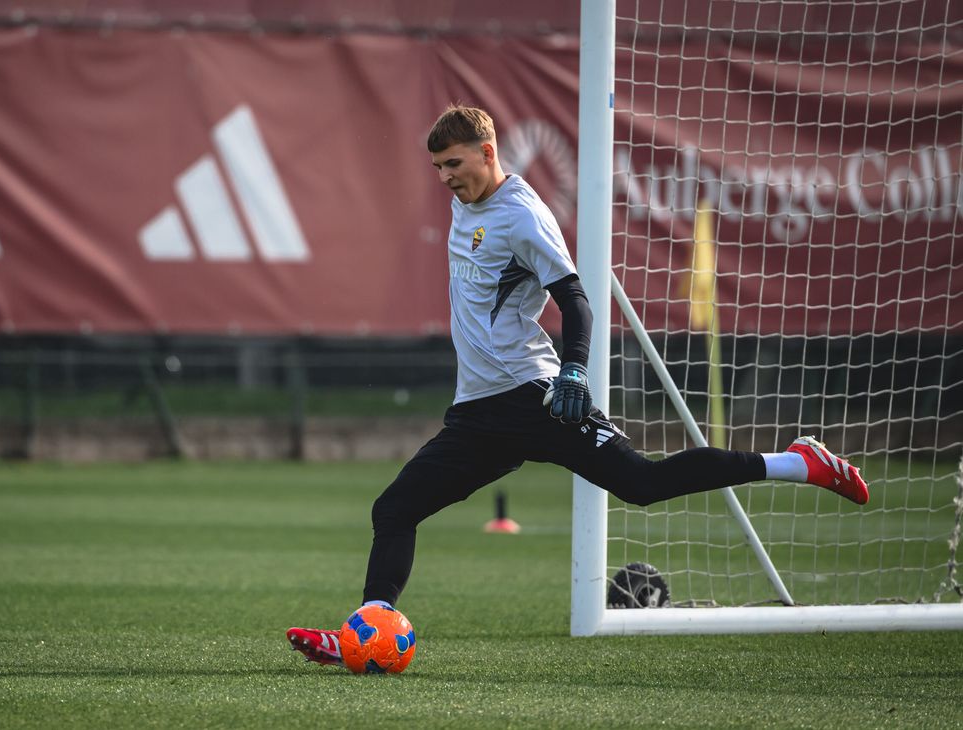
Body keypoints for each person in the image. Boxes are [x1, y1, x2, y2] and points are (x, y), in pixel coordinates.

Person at [286, 105, 868, 666]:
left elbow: (576, 301)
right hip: (480, 413)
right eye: (438, 168)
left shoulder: (523, 216)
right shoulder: (468, 202)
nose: (445, 178)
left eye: (455, 165)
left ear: (487, 153)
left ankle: (798, 463)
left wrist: (574, 372)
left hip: (533, 397)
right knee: (394, 508)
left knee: (640, 483)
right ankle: (365, 633)